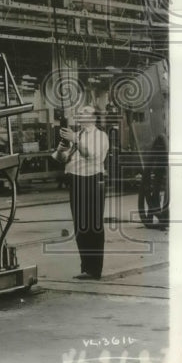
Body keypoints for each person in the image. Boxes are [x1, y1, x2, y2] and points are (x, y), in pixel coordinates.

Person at [53, 105, 110, 280]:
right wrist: (62, 149)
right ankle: (86, 268)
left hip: (92, 180)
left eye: (85, 111)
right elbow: (59, 158)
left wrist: (75, 139)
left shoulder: (100, 136)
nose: (81, 114)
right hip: (76, 180)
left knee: (93, 224)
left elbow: (91, 155)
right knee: (80, 225)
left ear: (94, 118)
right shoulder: (76, 135)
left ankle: (95, 269)